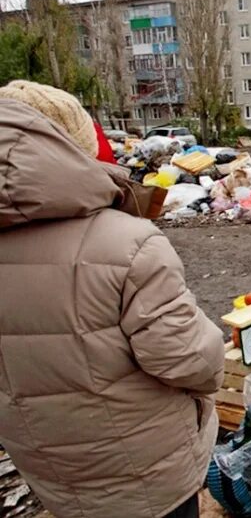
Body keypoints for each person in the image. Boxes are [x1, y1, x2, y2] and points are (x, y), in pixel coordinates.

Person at [0, 80, 225, 517]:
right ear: (75, 147)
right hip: (148, 476)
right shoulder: (127, 243)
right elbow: (188, 360)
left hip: (53, 474)